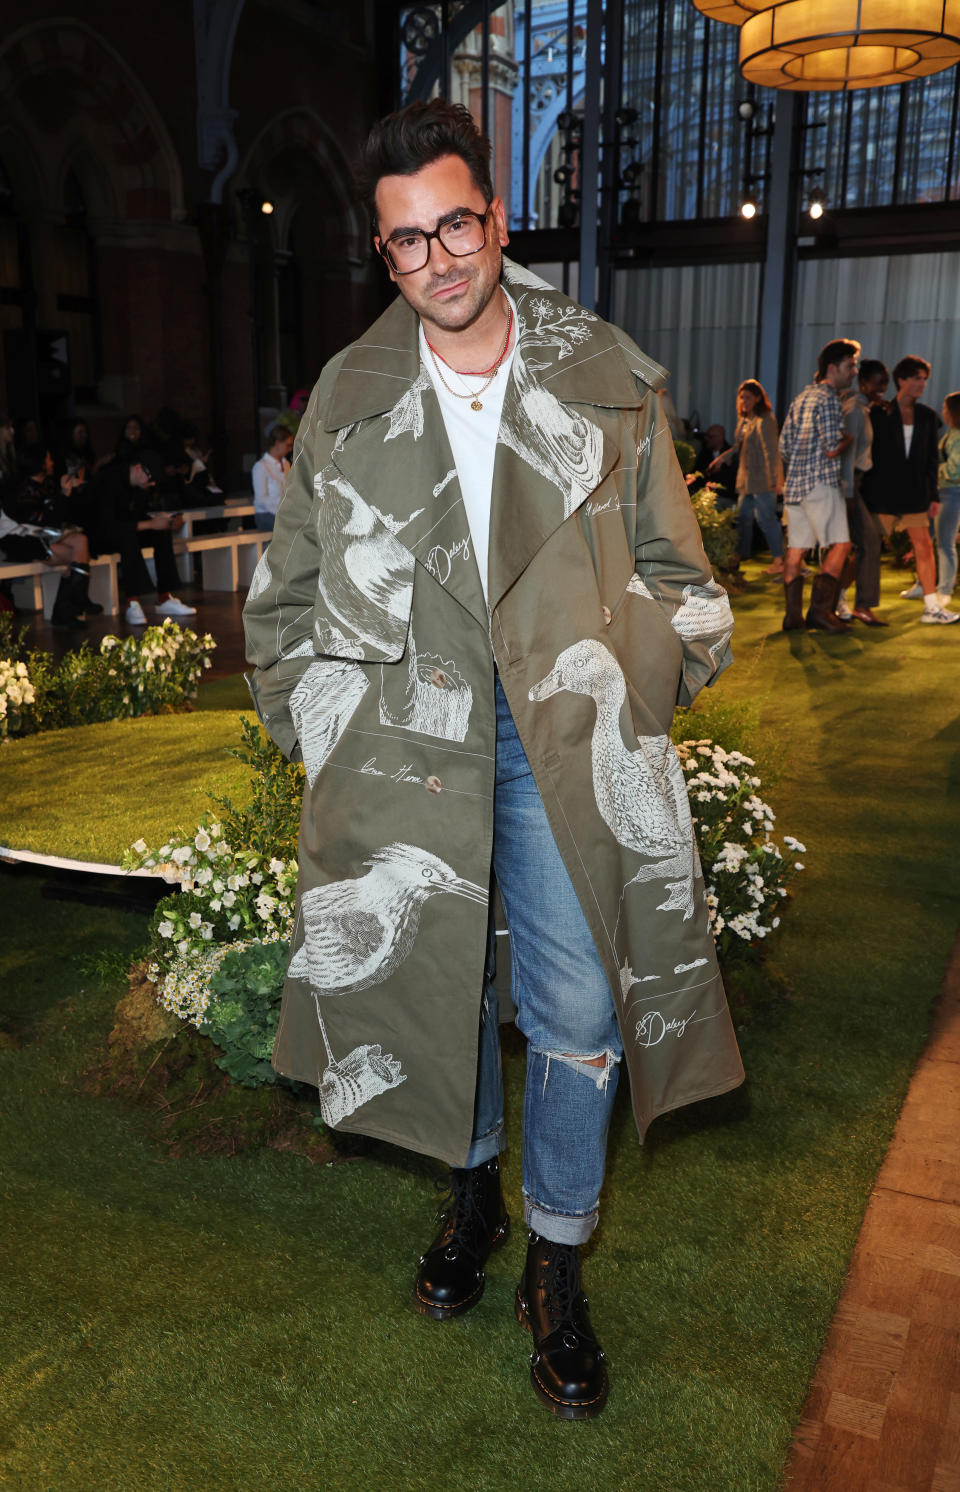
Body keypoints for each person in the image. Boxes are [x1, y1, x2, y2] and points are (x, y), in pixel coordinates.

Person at [243, 99, 743, 1421]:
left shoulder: (607, 372)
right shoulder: (349, 399)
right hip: (411, 758)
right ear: (383, 253)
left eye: (457, 224)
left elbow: (686, 586)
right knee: (435, 994)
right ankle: (473, 1195)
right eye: (407, 243)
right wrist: (326, 731)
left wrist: (618, 692)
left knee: (579, 1022)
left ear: (497, 219)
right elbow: (284, 608)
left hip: (564, 757)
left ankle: (559, 1261)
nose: (439, 260)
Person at [862, 355, 958, 625]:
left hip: (915, 495)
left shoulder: (929, 417)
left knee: (925, 547)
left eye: (925, 379)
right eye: (917, 378)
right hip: (881, 495)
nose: (922, 384)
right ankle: (842, 601)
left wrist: (934, 496)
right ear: (901, 380)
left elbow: (931, 461)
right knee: (865, 550)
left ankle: (931, 607)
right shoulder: (878, 412)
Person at [778, 339, 859, 632]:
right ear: (832, 367)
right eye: (850, 366)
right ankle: (821, 612)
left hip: (795, 485)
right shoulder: (829, 399)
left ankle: (792, 617)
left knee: (797, 547)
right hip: (821, 483)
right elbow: (831, 447)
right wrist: (847, 439)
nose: (854, 372)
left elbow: (783, 446)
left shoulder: (800, 398)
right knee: (842, 544)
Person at [90, 450, 196, 626]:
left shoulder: (139, 487)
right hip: (99, 536)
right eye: (151, 479)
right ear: (139, 469)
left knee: (160, 532)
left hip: (124, 530)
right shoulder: (109, 479)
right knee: (129, 537)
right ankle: (132, 602)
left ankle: (164, 597)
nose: (152, 483)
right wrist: (150, 524)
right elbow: (108, 524)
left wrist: (168, 522)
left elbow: (137, 515)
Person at [0, 446, 101, 627]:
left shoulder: (48, 485)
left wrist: (70, 492)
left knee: (81, 541)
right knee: (78, 555)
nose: (52, 462)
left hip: (43, 536)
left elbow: (63, 517)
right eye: (48, 459)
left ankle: (73, 604)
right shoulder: (19, 491)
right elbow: (47, 521)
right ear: (38, 463)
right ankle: (69, 608)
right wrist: (64, 494)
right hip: (20, 541)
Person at [708, 379, 784, 574]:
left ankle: (779, 560)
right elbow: (737, 447)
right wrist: (721, 459)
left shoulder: (765, 419)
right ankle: (740, 556)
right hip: (747, 480)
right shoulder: (744, 420)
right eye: (741, 397)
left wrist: (775, 481)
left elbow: (771, 451)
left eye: (748, 397)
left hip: (763, 480)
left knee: (766, 519)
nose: (743, 401)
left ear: (758, 398)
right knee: (742, 518)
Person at [836, 360, 889, 626]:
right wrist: (847, 494)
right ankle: (862, 606)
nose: (883, 388)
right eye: (878, 382)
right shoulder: (855, 410)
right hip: (849, 485)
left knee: (854, 546)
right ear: (863, 382)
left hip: (854, 484)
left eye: (885, 383)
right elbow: (846, 456)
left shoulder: (861, 407)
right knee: (868, 542)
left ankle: (839, 598)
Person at [935, 391, 960, 607]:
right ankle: (930, 585)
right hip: (944, 492)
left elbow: (956, 469)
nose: (943, 412)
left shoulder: (958, 437)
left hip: (952, 493)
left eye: (945, 408)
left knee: (945, 543)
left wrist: (935, 469)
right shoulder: (951, 434)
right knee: (938, 541)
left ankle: (944, 590)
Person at [250, 425, 293, 531]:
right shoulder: (261, 466)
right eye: (288, 445)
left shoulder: (286, 464)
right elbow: (261, 500)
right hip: (267, 515)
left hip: (284, 513)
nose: (290, 449)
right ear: (277, 443)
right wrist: (283, 511)